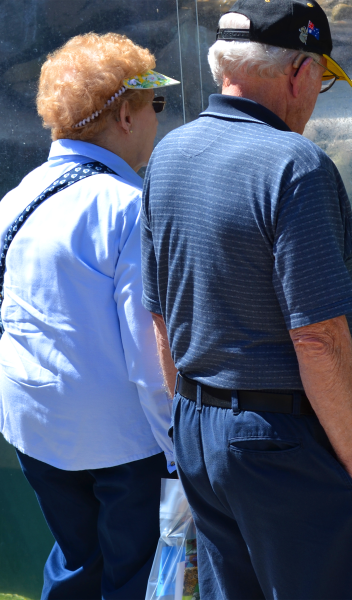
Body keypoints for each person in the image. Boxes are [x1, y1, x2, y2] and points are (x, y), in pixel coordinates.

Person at [141, 0, 352, 598]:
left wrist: (195, 418)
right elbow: (317, 337)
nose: (315, 98)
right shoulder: (295, 165)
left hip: (201, 431)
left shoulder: (168, 154)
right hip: (284, 443)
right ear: (300, 72)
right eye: (322, 81)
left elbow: (159, 313)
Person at [0, 33, 179, 600]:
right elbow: (150, 354)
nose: (159, 118)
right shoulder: (128, 207)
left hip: (34, 426)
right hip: (121, 442)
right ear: (126, 113)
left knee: (76, 562)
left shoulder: (15, 199)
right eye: (158, 104)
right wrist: (179, 452)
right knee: (135, 576)